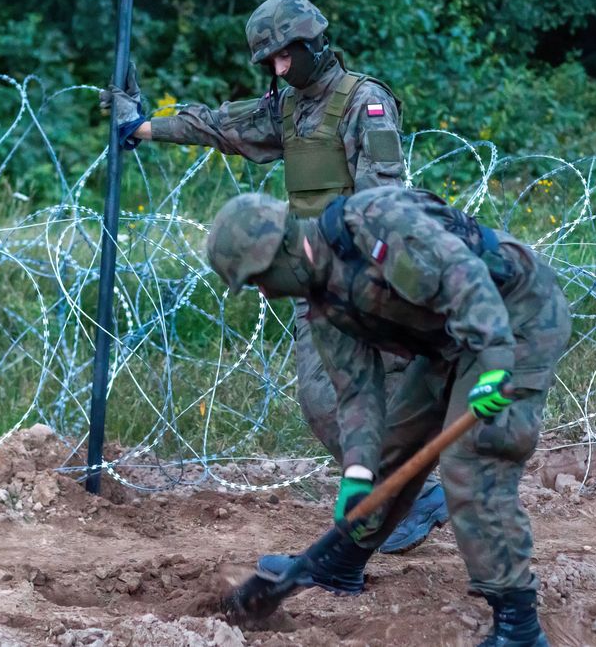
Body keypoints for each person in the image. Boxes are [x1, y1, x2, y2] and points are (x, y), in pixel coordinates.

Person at [100, 0, 450, 565]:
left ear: (312, 44)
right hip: (313, 280)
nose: (279, 70)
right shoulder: (287, 109)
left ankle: (411, 502)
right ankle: (408, 497)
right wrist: (142, 126)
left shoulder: (365, 102)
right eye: (271, 64)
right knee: (326, 399)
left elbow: (384, 202)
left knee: (388, 395)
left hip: (369, 278)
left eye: (284, 58)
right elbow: (218, 124)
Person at [205, 186, 570, 647]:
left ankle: (518, 625)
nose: (264, 290)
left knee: (473, 460)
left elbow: (465, 278)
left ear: (284, 250)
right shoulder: (324, 305)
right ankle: (343, 561)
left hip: (513, 319)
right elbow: (359, 393)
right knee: (393, 446)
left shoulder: (375, 223)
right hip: (450, 340)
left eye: (259, 277)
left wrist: (497, 364)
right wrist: (356, 477)